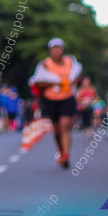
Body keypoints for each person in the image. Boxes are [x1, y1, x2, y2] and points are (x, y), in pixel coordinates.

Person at [29, 38, 83, 169]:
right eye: (54, 49)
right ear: (50, 51)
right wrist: (55, 82)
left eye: (59, 48)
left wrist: (70, 83)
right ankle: (60, 149)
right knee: (57, 129)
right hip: (51, 99)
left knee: (65, 125)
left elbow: (78, 76)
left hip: (67, 97)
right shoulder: (44, 64)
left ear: (62, 50)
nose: (57, 51)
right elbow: (38, 81)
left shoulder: (70, 62)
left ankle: (66, 155)